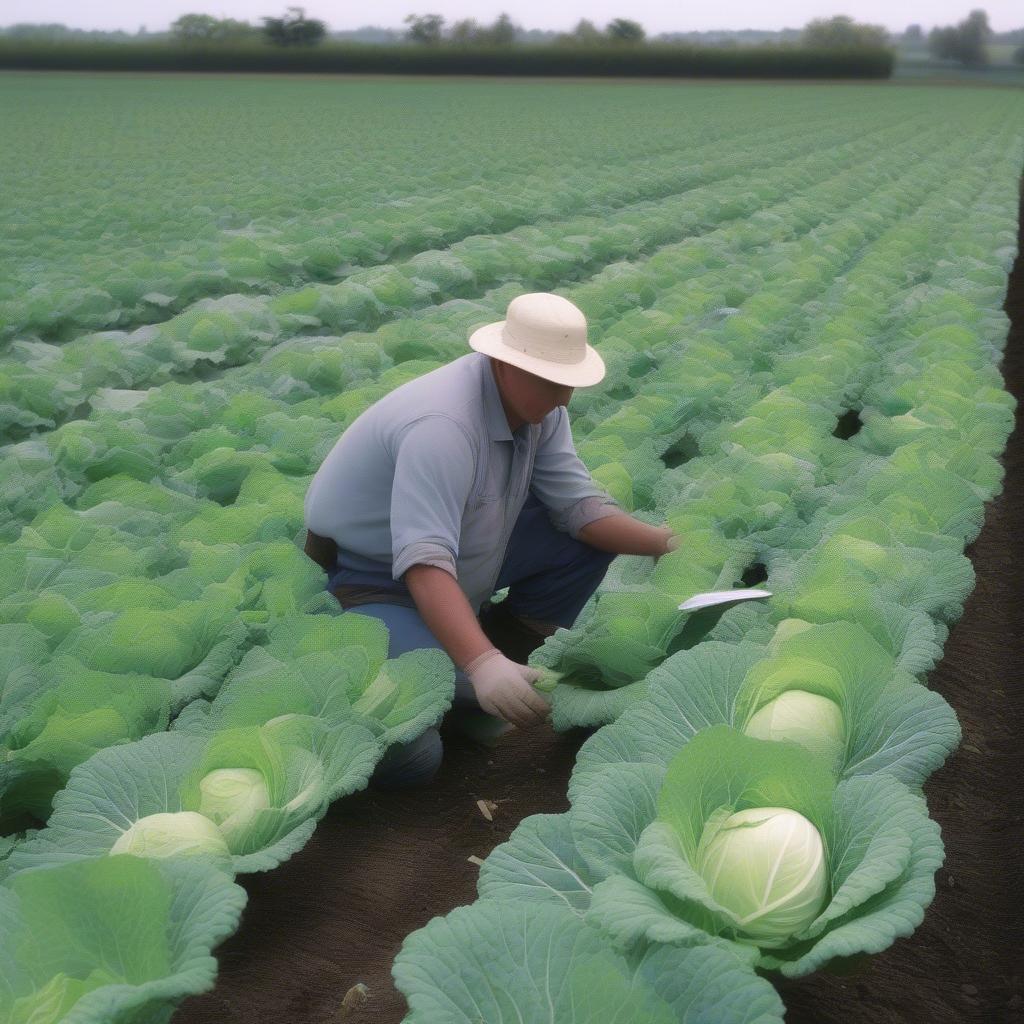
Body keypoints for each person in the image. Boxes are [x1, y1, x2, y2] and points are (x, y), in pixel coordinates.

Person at [303, 291, 679, 788]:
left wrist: (665, 543)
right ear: (505, 364)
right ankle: (472, 673)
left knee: (582, 543)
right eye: (552, 383)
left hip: (470, 556)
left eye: (569, 383)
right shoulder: (443, 426)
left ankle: (494, 655)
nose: (564, 398)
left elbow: (578, 509)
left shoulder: (539, 410)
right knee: (416, 753)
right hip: (372, 580)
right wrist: (481, 666)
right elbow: (424, 564)